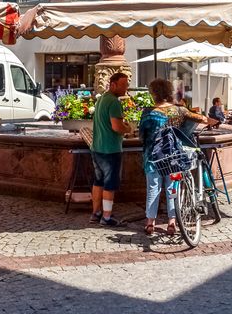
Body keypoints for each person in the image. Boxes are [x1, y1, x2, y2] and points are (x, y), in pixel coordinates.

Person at [139, 77, 217, 237]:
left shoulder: (148, 113)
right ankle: (172, 222)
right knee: (171, 188)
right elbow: (201, 118)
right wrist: (213, 121)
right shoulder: (180, 110)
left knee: (153, 188)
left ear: (153, 93)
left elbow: (141, 135)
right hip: (174, 155)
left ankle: (150, 223)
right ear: (169, 92)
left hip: (153, 157)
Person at [89, 72, 130, 227]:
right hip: (110, 149)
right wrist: (128, 128)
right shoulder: (114, 102)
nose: (126, 88)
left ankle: (96, 213)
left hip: (97, 148)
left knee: (98, 181)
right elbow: (116, 126)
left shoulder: (101, 100)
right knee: (110, 184)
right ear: (113, 84)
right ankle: (106, 217)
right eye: (123, 85)